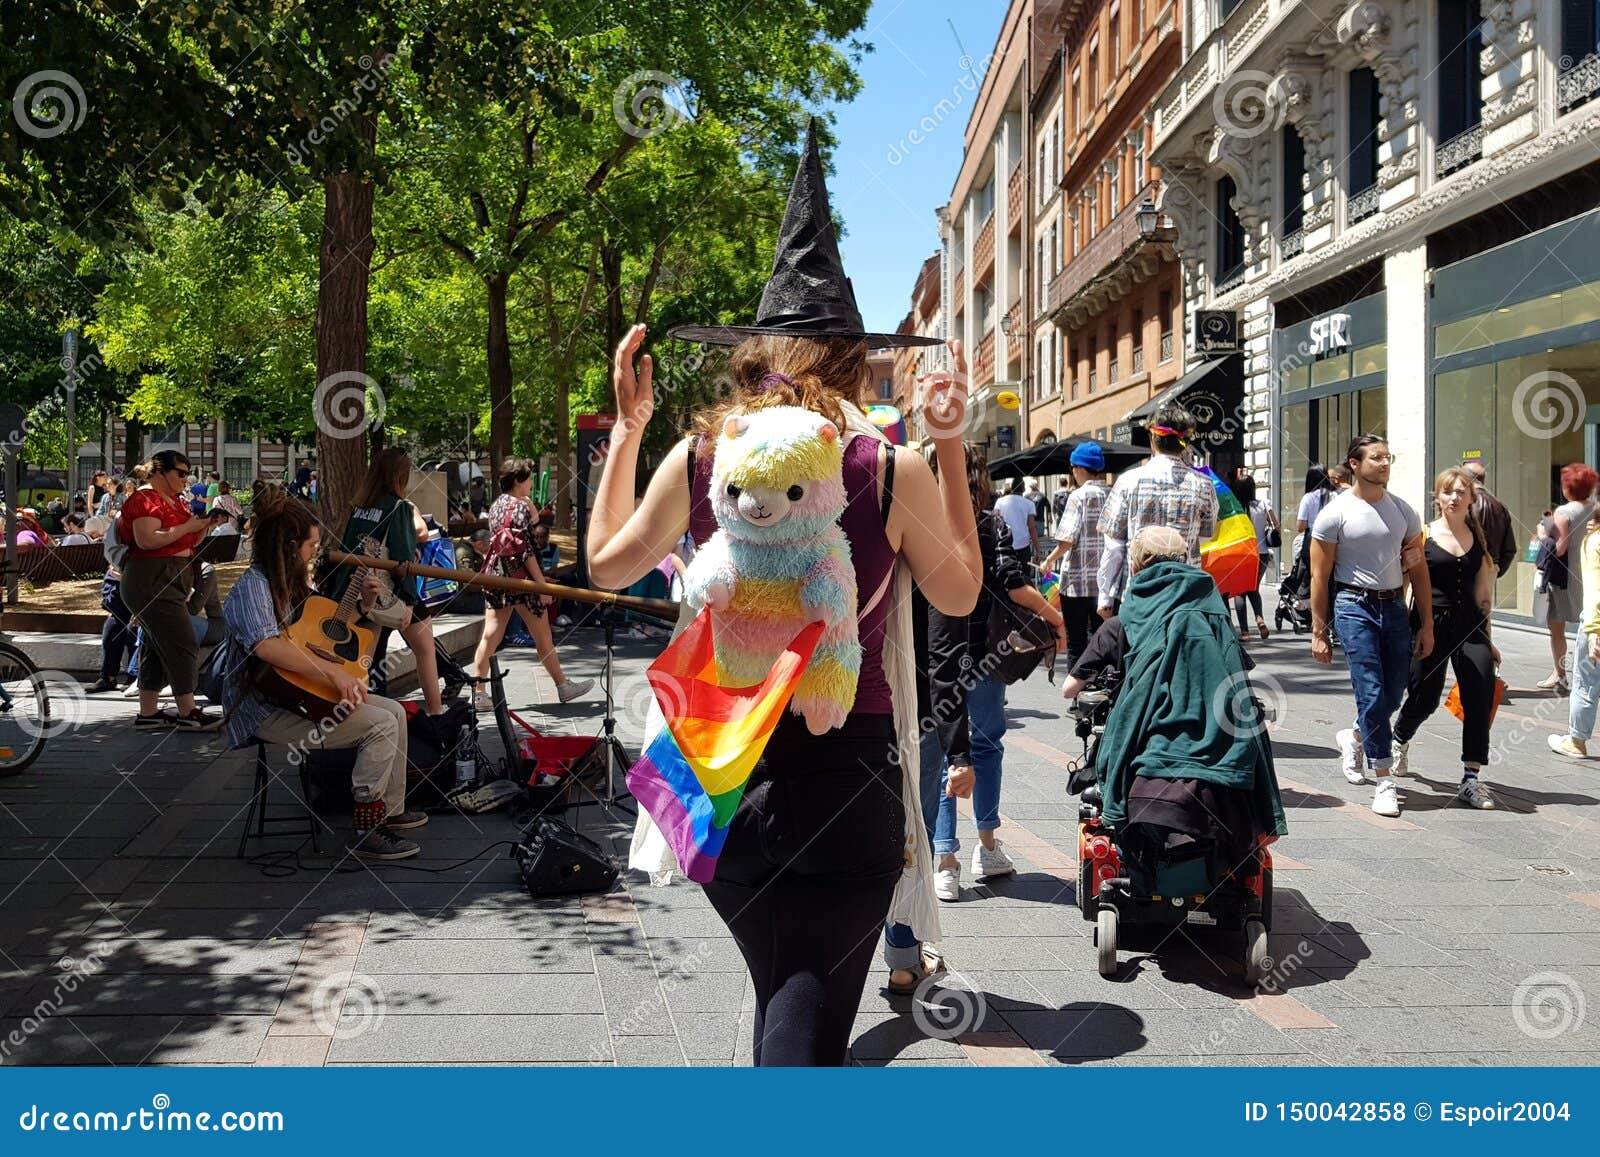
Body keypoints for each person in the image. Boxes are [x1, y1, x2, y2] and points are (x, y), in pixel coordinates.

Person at [588, 127, 980, 1067]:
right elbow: (960, 595)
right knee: (802, 1032)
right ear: (852, 362)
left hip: (718, 776)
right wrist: (953, 445)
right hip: (846, 772)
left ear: (755, 353)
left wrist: (630, 428)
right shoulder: (887, 468)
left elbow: (604, 563)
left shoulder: (701, 457)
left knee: (782, 997)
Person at [218, 489, 426, 860]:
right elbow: (266, 647)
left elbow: (318, 634)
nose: (316, 550)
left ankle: (390, 813)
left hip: (294, 694)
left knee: (394, 711)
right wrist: (333, 675)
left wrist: (362, 606)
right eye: (312, 544)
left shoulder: (291, 582)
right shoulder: (253, 587)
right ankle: (366, 828)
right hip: (262, 708)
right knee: (380, 724)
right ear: (290, 544)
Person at [931, 448, 1064, 900]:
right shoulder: (991, 523)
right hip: (988, 653)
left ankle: (944, 860)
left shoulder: (922, 519)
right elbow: (1012, 581)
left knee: (945, 752)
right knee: (986, 747)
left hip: (937, 653)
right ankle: (986, 847)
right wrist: (1055, 618)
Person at [1310, 435, 1433, 817]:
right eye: (1376, 458)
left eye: (1387, 458)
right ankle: (1384, 779)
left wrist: (1426, 623)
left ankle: (1356, 735)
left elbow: (1419, 567)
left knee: (1394, 692)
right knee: (1371, 689)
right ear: (1354, 463)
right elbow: (1320, 574)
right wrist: (1319, 631)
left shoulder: (1403, 511)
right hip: (1353, 605)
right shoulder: (1335, 513)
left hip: (1394, 606)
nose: (1384, 464)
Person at [1390, 468, 1500, 809]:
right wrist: (1398, 631)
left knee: (1479, 692)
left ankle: (1471, 777)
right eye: (1448, 491)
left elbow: (1483, 596)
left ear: (1471, 498)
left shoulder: (1479, 539)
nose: (1455, 497)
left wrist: (1489, 640)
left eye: (1461, 492)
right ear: (1437, 497)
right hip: (1428, 623)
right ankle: (1400, 738)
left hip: (1470, 626)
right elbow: (1404, 583)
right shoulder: (1422, 536)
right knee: (1425, 696)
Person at [323, 448, 447, 717]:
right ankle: (437, 715)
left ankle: (361, 714)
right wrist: (410, 601)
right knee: (425, 649)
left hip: (357, 589)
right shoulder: (399, 507)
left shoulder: (361, 507)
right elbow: (403, 561)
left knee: (365, 660)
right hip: (385, 590)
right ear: (399, 476)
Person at [465, 457, 593, 711]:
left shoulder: (497, 505)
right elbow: (526, 552)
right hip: (523, 582)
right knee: (542, 636)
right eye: (529, 479)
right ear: (517, 481)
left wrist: (532, 513)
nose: (532, 484)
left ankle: (478, 692)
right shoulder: (519, 508)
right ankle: (562, 685)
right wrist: (540, 584)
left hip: (499, 577)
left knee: (490, 635)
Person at [117, 450, 224, 729]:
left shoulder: (175, 501)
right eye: (181, 473)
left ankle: (149, 713)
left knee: (155, 643)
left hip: (169, 577)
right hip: (151, 578)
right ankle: (188, 712)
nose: (186, 479)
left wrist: (204, 526)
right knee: (183, 640)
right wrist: (188, 526)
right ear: (161, 472)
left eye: (188, 473)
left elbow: (186, 540)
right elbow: (147, 540)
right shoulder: (145, 499)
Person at [1096, 402, 1217, 618]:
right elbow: (1206, 537)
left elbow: (1113, 547)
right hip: (1185, 596)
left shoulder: (1128, 481)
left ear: (1153, 439)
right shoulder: (1204, 484)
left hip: (1140, 595)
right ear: (1186, 443)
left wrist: (1105, 597)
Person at [1042, 441, 1111, 672]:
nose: (1072, 472)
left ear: (1081, 468)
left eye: (1072, 467)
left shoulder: (1078, 497)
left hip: (1076, 585)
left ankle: (1079, 695)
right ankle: (1102, 691)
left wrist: (1049, 560)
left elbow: (1067, 539)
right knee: (1102, 640)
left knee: (1077, 643)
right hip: (1105, 583)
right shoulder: (1114, 494)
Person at [1533, 464, 1598, 691]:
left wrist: (1542, 533)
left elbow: (1559, 548)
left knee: (1557, 628)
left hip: (1566, 578)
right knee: (1590, 624)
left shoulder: (1563, 512)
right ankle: (1591, 670)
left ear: (1567, 487)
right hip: (1590, 574)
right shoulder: (1596, 508)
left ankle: (1560, 674)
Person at [1551, 509, 1600, 760]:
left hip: (1597, 623)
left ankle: (1576, 741)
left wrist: (1592, 631)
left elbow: (1594, 590)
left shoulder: (1595, 541)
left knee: (1586, 681)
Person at [1232, 474, 1277, 641]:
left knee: (1240, 592)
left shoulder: (1233, 507)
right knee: (1253, 588)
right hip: (1261, 553)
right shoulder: (1264, 505)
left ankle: (1244, 632)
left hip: (1240, 554)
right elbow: (1276, 525)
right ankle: (1259, 619)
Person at [1459, 458, 1518, 578]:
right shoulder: (1500, 507)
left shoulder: (1464, 504)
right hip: (1489, 570)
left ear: (1466, 479)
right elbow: (1510, 549)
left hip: (1465, 570)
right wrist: (1495, 571)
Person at [993, 477, 1038, 566]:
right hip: (1023, 546)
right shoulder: (1029, 504)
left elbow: (995, 522)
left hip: (1005, 546)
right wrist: (1038, 549)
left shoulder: (999, 502)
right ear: (1024, 489)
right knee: (1025, 576)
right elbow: (1032, 528)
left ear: (1012, 488)